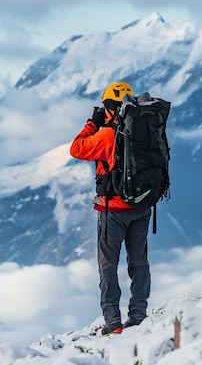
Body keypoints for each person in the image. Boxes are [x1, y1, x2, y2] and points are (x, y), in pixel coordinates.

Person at [69, 81, 152, 336]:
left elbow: (77, 148)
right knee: (139, 263)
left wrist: (92, 122)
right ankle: (138, 316)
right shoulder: (145, 128)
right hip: (142, 206)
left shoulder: (106, 134)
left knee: (108, 266)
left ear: (108, 107)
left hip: (112, 211)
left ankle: (113, 322)